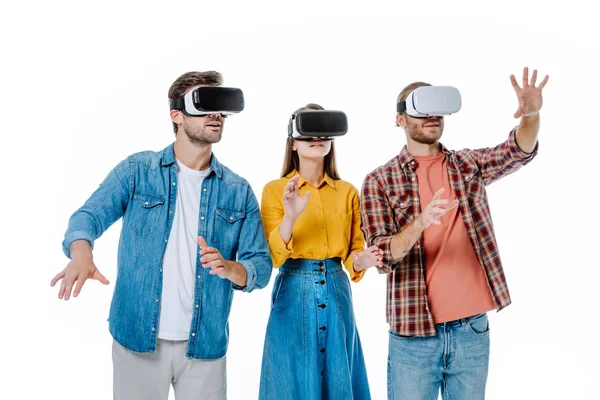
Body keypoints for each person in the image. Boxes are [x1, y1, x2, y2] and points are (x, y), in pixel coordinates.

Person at [50, 71, 272, 400]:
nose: (216, 115)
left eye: (220, 108)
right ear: (176, 115)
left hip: (205, 346)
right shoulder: (137, 172)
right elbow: (88, 216)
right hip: (137, 340)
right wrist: (81, 254)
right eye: (204, 104)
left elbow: (261, 265)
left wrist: (231, 268)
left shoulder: (238, 191)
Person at [360, 68, 548, 399]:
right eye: (421, 109)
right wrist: (418, 223)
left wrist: (531, 116)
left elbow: (517, 150)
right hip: (414, 336)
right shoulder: (379, 181)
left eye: (437, 109)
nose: (432, 116)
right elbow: (383, 258)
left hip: (471, 331)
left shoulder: (466, 165)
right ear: (400, 119)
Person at [258, 103, 382, 399]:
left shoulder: (348, 191)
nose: (317, 138)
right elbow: (273, 257)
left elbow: (354, 253)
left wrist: (363, 260)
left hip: (337, 287)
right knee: (291, 374)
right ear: (293, 143)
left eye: (324, 131)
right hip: (293, 288)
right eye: (308, 131)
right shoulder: (275, 190)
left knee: (339, 372)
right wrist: (290, 215)